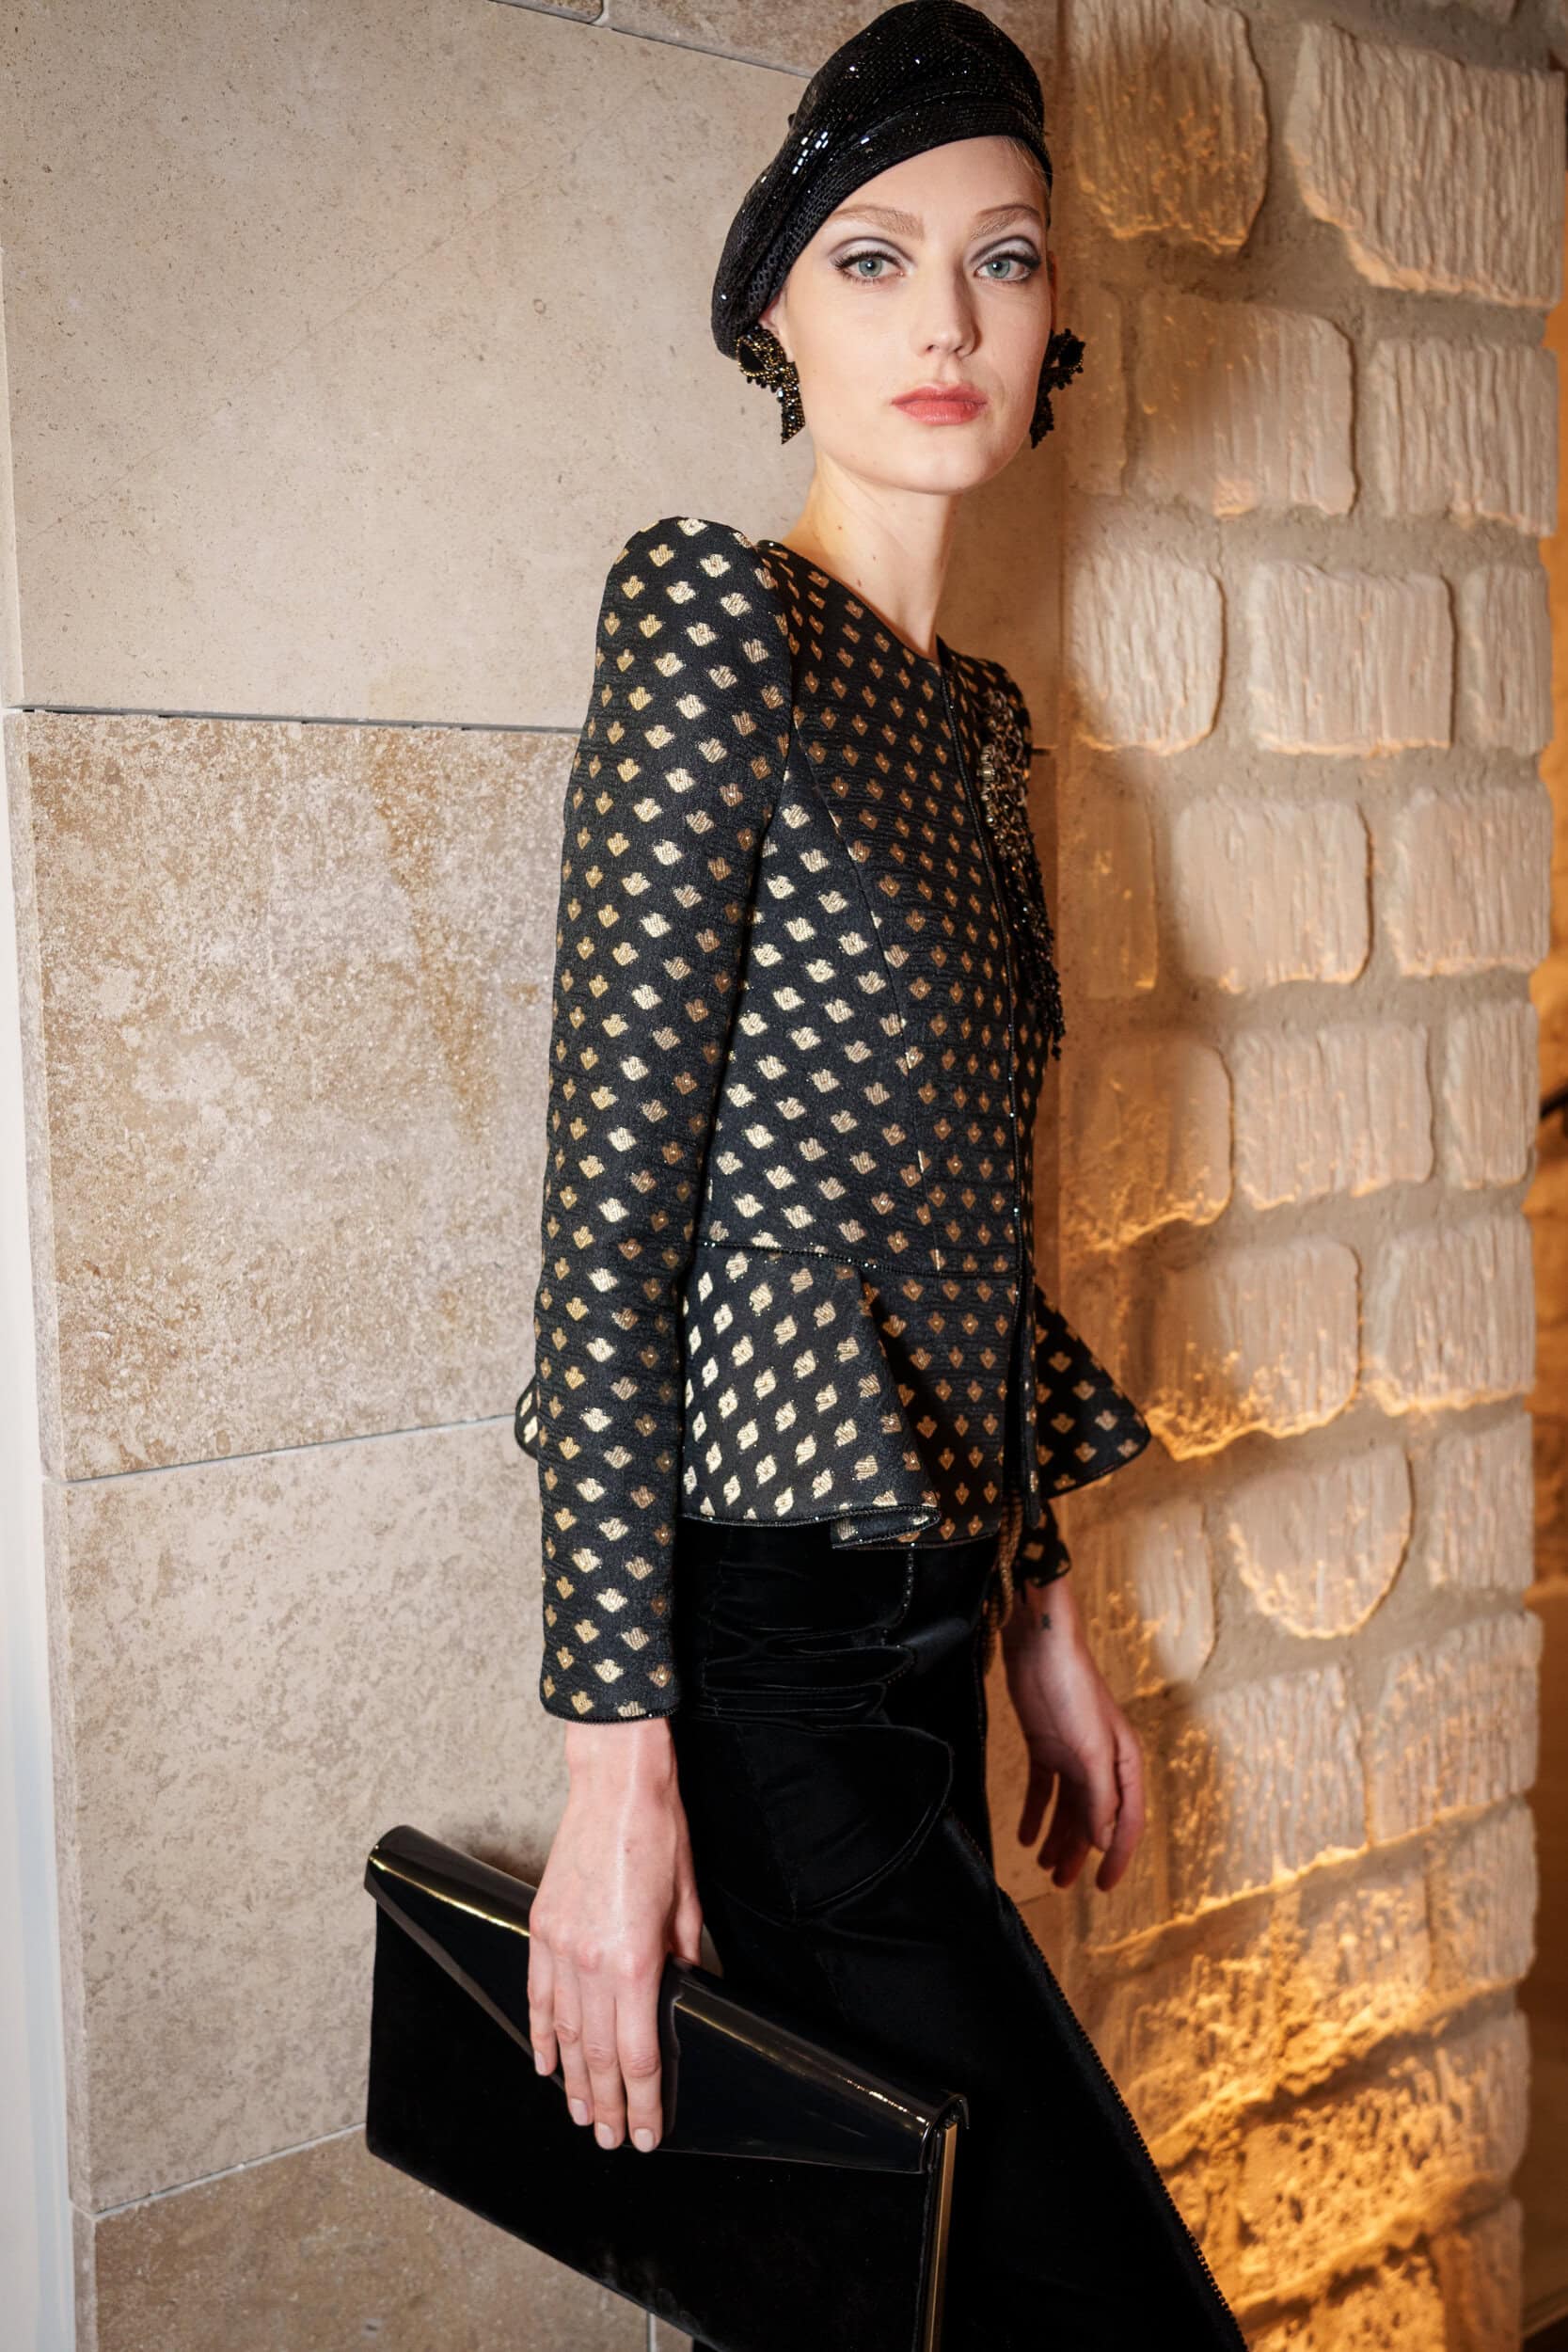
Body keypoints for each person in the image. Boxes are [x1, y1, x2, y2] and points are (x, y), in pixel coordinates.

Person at [515, 5, 1247, 2343]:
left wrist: (1037, 1608)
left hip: (929, 1635)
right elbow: (610, 1221)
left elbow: (964, 1223)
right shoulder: (713, 622)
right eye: (871, 257)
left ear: (1051, 326)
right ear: (773, 315)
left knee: (903, 2308)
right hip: (764, 1665)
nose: (944, 318)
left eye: (1001, 259)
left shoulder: (982, 725)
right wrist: (615, 1768)